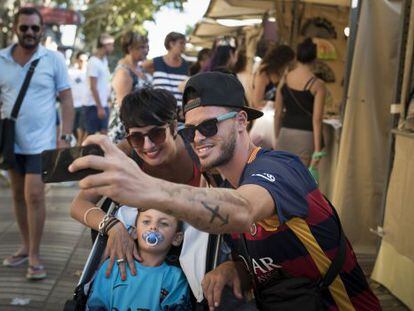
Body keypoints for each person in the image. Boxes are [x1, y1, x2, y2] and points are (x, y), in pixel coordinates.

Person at [70, 71, 381, 310]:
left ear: (242, 120)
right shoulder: (219, 180)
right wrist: (236, 268)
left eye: (209, 126)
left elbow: (242, 211)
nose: (199, 138)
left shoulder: (279, 167)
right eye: (191, 130)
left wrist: (147, 189)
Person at [70, 87, 254, 310]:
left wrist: (234, 265)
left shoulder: (201, 153)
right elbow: (79, 204)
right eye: (136, 137)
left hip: (199, 260)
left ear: (175, 126)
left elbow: (237, 212)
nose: (148, 145)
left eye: (157, 134)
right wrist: (113, 226)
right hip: (140, 263)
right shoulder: (127, 153)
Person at [0, 7, 74, 279]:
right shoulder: (1, 59)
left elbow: (66, 99)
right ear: (15, 30)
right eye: (24, 28)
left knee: (34, 195)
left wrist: (65, 136)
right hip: (10, 143)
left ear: (41, 29)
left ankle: (35, 255)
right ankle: (25, 245)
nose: (29, 33)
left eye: (34, 28)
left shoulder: (52, 59)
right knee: (18, 196)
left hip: (41, 142)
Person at [87, 208, 191, 310]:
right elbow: (96, 305)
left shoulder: (176, 278)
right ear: (134, 232)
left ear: (176, 238)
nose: (153, 227)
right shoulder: (112, 267)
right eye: (146, 222)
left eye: (164, 224)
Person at [275, 38, 326, 168]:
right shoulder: (318, 85)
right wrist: (318, 150)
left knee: (281, 178)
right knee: (299, 181)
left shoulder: (285, 78)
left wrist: (277, 137)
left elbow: (278, 113)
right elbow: (317, 119)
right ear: (315, 59)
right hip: (305, 137)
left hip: (285, 134)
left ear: (297, 56)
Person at [249, 45, 295, 149]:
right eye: (289, 62)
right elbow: (256, 102)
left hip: (277, 122)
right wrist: (275, 104)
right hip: (263, 123)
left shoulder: (283, 74)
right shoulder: (264, 74)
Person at [109, 31, 151, 143]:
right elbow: (123, 106)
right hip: (125, 130)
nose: (146, 51)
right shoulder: (123, 72)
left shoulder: (139, 68)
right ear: (130, 48)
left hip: (139, 126)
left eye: (147, 47)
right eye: (142, 47)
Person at [143, 32, 188, 118]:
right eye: (182, 43)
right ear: (171, 44)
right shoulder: (157, 62)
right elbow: (140, 68)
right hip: (158, 112)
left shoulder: (185, 65)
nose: (184, 46)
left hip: (179, 114)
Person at [84, 33, 114, 136]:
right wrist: (100, 107)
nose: (113, 48)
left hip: (103, 105)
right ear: (104, 45)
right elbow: (93, 87)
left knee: (104, 135)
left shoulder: (104, 61)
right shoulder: (93, 62)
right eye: (111, 45)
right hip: (93, 105)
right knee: (90, 137)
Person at [68, 51, 88, 145]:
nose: (83, 63)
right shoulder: (71, 72)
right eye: (81, 60)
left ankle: (79, 147)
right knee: (72, 128)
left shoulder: (89, 74)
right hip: (72, 105)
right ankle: (77, 144)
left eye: (85, 60)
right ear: (77, 60)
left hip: (84, 105)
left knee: (81, 129)